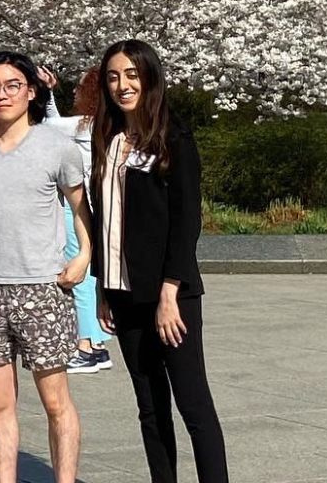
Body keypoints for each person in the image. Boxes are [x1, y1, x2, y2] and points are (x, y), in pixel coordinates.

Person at [91, 40, 229, 483]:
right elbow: (104, 219)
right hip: (123, 292)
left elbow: (187, 220)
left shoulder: (173, 137)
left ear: (149, 78)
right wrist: (102, 288)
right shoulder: (108, 139)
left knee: (192, 404)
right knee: (149, 406)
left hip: (170, 295)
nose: (122, 85)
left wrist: (170, 291)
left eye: (132, 75)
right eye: (113, 76)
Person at [0, 51, 93, 483]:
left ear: (31, 91)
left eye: (13, 85)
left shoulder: (57, 146)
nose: (2, 94)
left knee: (55, 400)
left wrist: (84, 256)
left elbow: (81, 209)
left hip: (41, 288)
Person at [44, 67, 114, 373]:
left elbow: (49, 124)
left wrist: (46, 91)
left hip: (80, 208)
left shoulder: (79, 127)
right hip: (105, 210)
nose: (74, 93)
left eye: (80, 88)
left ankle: (83, 345)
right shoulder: (107, 125)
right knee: (96, 274)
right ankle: (98, 345)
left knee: (79, 275)